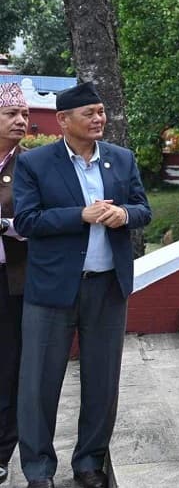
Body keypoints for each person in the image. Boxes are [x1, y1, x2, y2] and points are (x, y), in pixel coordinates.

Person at [13, 82, 152, 488]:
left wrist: (124, 215)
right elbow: (27, 221)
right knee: (39, 384)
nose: (98, 119)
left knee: (102, 381)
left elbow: (143, 207)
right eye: (89, 113)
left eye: (101, 112)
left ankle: (90, 463)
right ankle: (38, 470)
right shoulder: (36, 163)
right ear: (63, 120)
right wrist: (82, 215)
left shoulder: (121, 159)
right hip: (53, 291)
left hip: (108, 288)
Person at [0, 83, 29, 487]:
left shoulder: (30, 165)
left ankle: (2, 451)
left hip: (11, 282)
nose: (21, 120)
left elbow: (37, 219)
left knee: (8, 367)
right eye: (12, 114)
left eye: (24, 113)